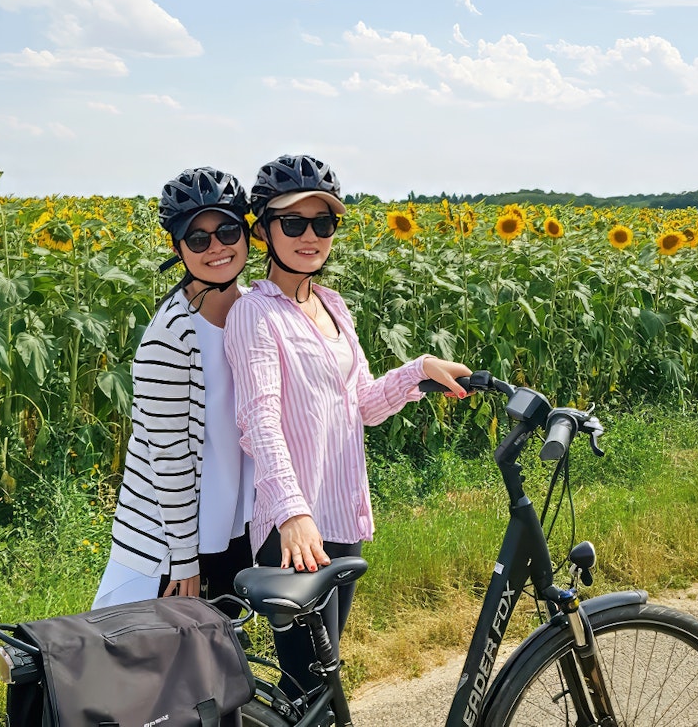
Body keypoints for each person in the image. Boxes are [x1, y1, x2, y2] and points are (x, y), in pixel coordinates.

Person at [224, 154, 471, 694]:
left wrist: (418, 370)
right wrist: (292, 512)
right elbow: (259, 420)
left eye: (323, 223)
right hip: (297, 530)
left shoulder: (333, 306)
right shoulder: (254, 314)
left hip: (342, 519)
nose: (309, 236)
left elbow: (361, 403)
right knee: (308, 684)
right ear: (264, 230)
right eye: (293, 222)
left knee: (320, 685)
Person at [93, 167, 256, 610]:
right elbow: (167, 454)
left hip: (234, 526)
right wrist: (185, 559)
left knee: (223, 659)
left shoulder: (256, 311)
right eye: (198, 239)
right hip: (176, 540)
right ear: (178, 248)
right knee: (170, 668)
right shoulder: (172, 333)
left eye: (226, 230)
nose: (217, 247)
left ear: (246, 233)